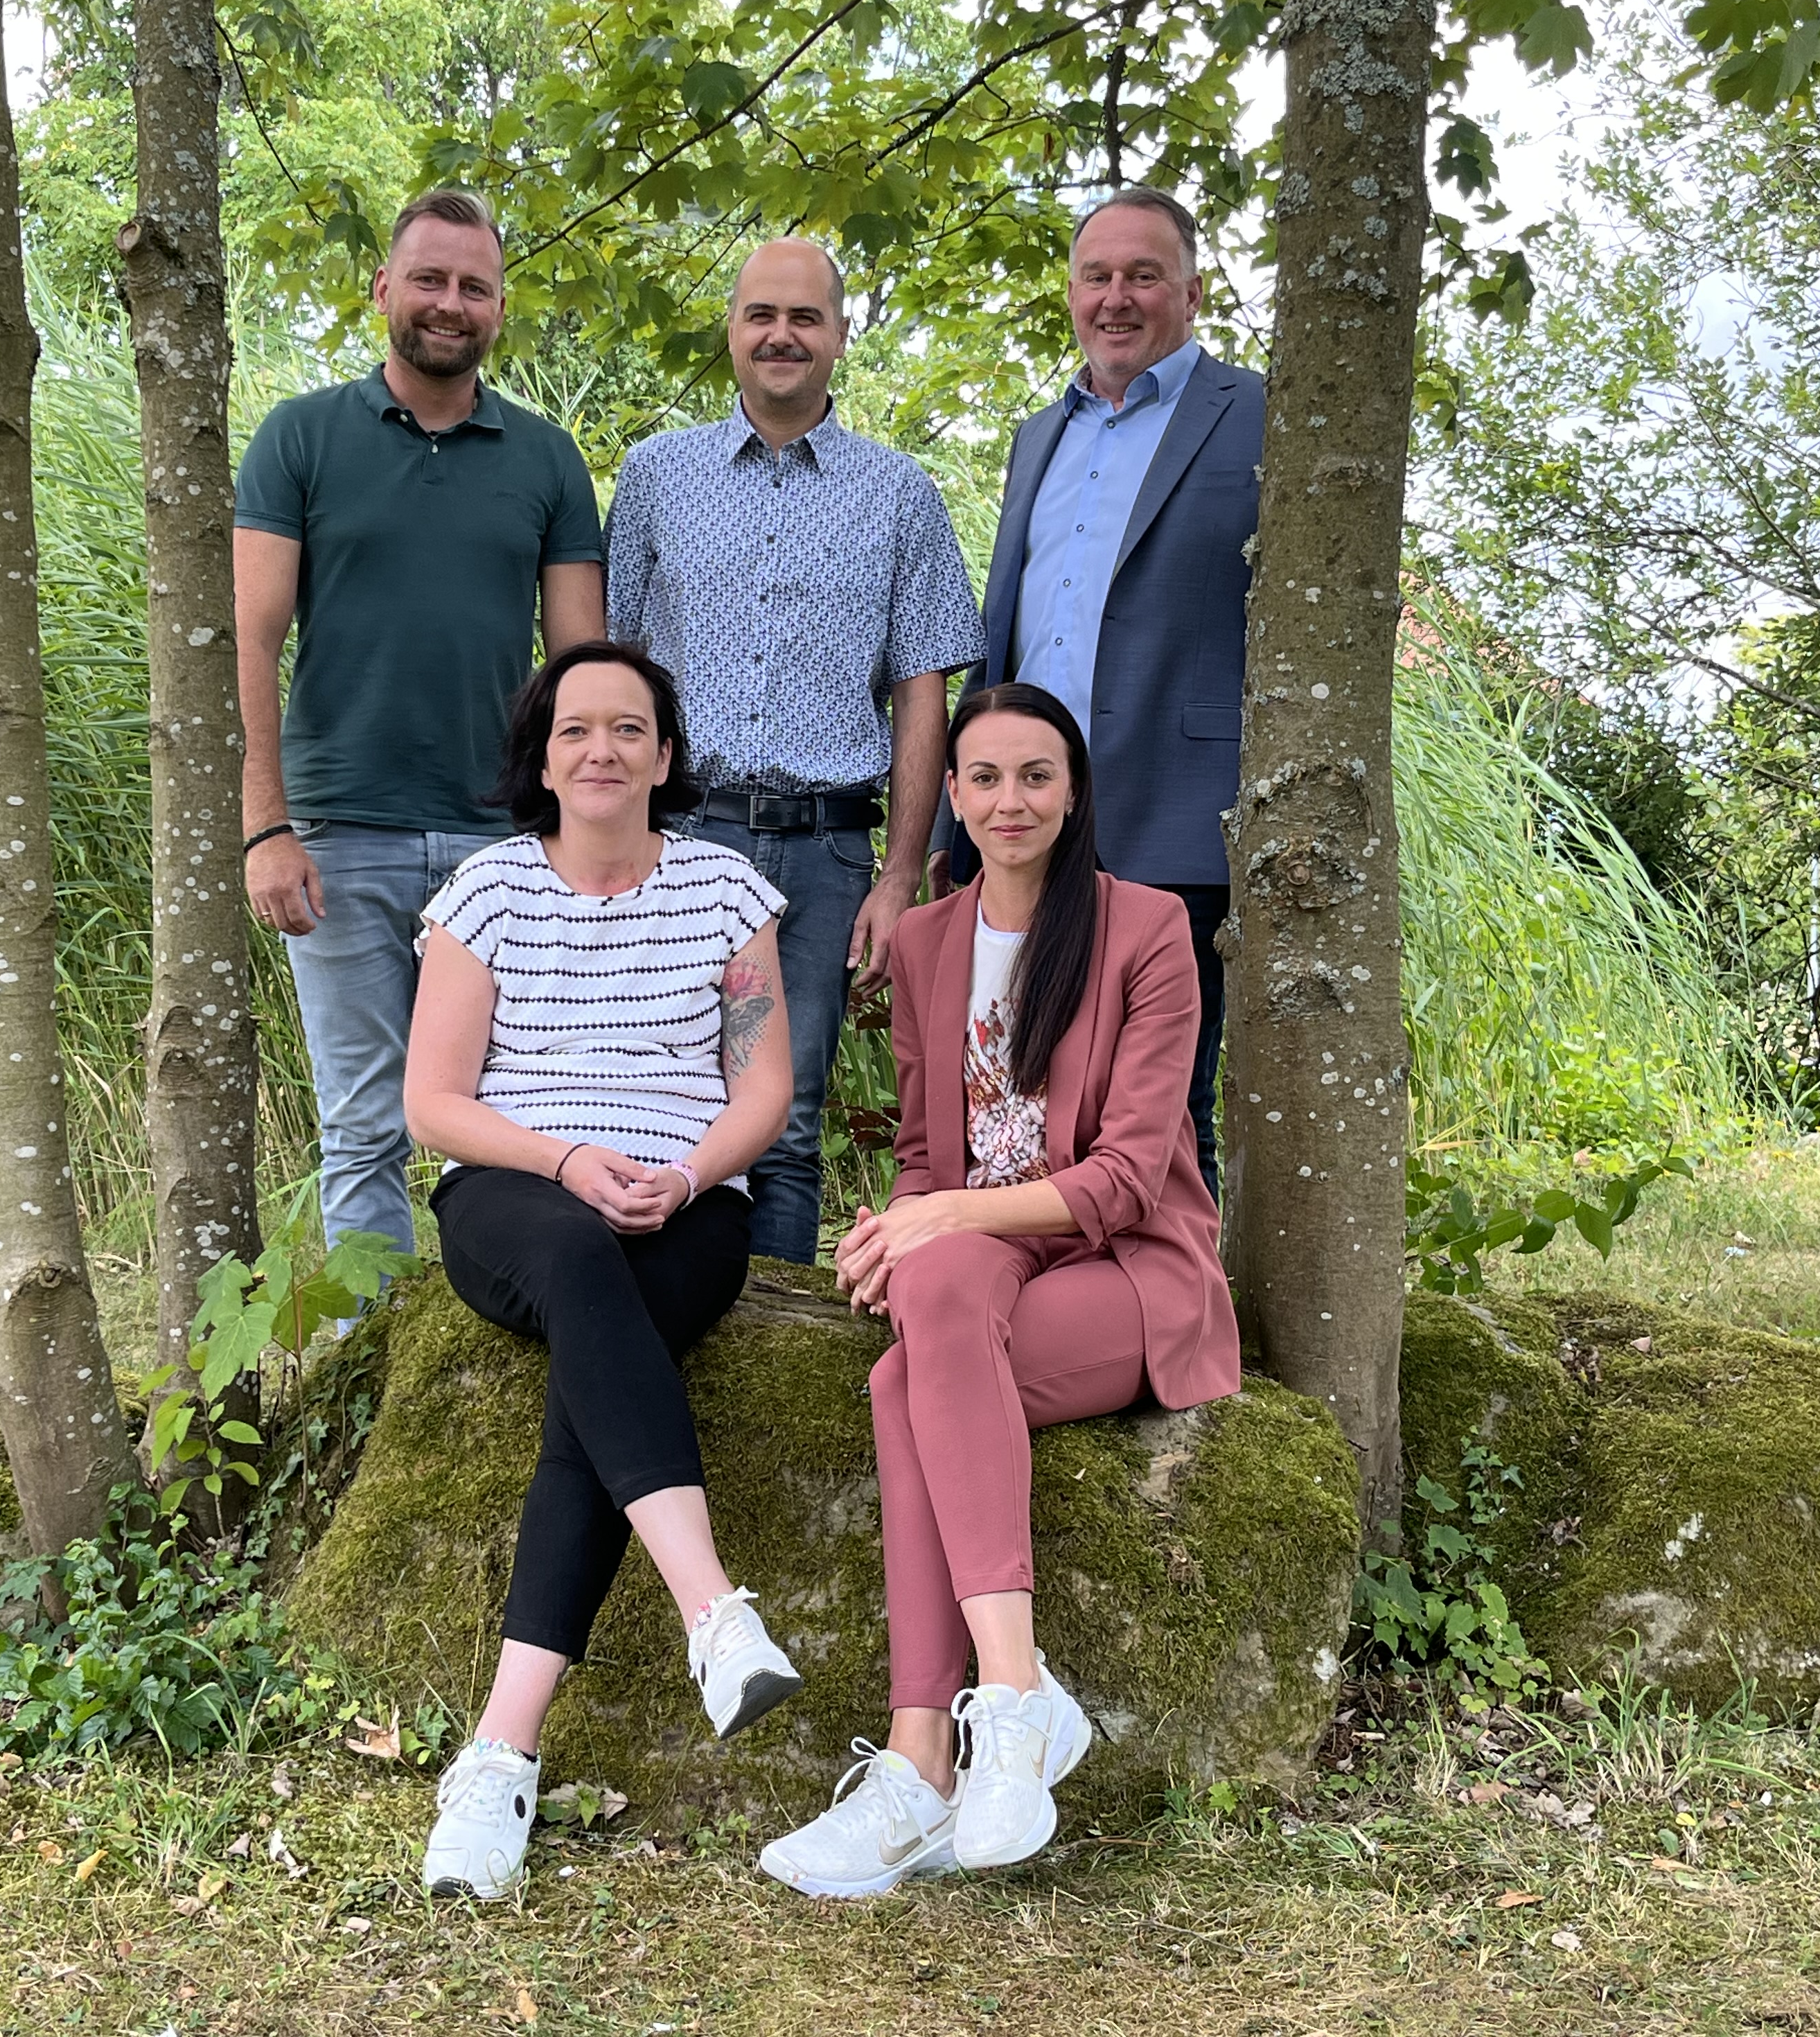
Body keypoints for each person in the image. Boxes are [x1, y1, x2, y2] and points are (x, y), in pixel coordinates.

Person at [763, 680, 1240, 1899]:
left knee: (905, 1376)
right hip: (991, 1274)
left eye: (1036, 775)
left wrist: (938, 1221)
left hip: (1128, 1271)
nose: (1009, 800)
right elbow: (932, 1158)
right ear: (955, 798)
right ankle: (942, 1756)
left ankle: (983, 1717)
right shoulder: (929, 941)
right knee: (923, 1317)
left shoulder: (1146, 929)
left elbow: (1127, 1178)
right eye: (983, 777)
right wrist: (898, 1231)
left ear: (1074, 791)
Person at [403, 640, 804, 1903]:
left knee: (595, 1386)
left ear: (665, 756)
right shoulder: (485, 894)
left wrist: (684, 1177)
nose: (602, 750)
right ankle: (713, 1612)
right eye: (576, 729)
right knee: (580, 1258)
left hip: (685, 1207)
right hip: (516, 1194)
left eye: (629, 728)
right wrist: (568, 1159)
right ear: (543, 757)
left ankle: (499, 1754)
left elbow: (764, 1088)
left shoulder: (727, 892)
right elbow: (433, 1102)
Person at [235, 188, 606, 1264]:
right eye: (430, 280)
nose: (451, 303)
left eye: (475, 287)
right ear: (383, 289)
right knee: (363, 1129)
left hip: (504, 841)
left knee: (513, 1121)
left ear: (500, 308)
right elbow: (251, 638)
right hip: (339, 834)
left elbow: (581, 670)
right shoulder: (301, 438)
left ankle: (493, 1338)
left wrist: (581, 841)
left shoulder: (545, 459)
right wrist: (267, 828)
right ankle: (373, 1349)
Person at [606, 238, 982, 1263]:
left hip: (823, 858)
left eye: (806, 317)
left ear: (841, 336)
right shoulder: (655, 477)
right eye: (762, 315)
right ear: (731, 330)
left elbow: (923, 692)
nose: (782, 335)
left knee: (786, 1118)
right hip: (677, 840)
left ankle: (770, 1334)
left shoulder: (899, 493)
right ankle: (654, 1321)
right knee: (658, 1096)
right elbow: (612, 668)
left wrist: (900, 874)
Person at [937, 186, 1262, 1194]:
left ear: (1193, 293)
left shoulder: (1262, 414)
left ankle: (1177, 1293)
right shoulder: (1040, 436)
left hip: (1177, 809)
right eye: (1097, 276)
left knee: (1167, 1110)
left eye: (1144, 276)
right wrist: (958, 825)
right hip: (1026, 816)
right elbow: (1004, 635)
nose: (1116, 298)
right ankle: (1038, 1286)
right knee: (1020, 1096)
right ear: (1074, 294)